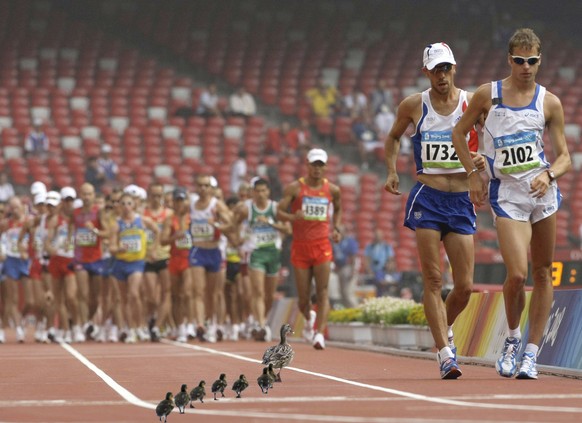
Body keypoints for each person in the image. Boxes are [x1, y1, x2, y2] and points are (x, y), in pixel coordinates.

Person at [451, 28, 572, 380]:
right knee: (517, 274)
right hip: (507, 196)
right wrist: (473, 176)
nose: (525, 66)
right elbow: (459, 133)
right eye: (519, 60)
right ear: (509, 59)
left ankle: (532, 353)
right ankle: (513, 339)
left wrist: (548, 176)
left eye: (532, 60)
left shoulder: (549, 102)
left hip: (541, 195)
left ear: (540, 60)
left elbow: (565, 157)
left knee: (544, 272)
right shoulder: (489, 95)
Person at [384, 41, 485, 379]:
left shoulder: (472, 102)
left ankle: (444, 324)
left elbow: (494, 135)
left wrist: (484, 157)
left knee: (465, 286)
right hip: (428, 197)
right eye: (436, 69)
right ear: (425, 71)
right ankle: (444, 353)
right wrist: (391, 170)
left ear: (454, 69)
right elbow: (393, 137)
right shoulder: (414, 104)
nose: (442, 75)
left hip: (460, 201)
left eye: (447, 68)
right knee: (433, 278)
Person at [277, 148, 342, 350]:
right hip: (300, 247)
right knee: (304, 298)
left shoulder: (333, 190)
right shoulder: (295, 188)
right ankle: (309, 318)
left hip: (322, 244)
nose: (317, 168)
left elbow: (338, 209)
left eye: (321, 165)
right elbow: (279, 212)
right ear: (307, 164)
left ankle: (319, 334)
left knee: (322, 291)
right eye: (314, 164)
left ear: (326, 167)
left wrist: (337, 227)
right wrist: (291, 217)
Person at [233, 178, 292, 342]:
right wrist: (239, 240)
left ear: (268, 192)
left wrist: (271, 224)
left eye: (263, 191)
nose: (260, 194)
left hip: (272, 253)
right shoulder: (248, 209)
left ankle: (262, 320)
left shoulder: (274, 208)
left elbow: (287, 229)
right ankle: (260, 324)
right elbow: (235, 223)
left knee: (269, 295)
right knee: (257, 291)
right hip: (256, 253)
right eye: (257, 191)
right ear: (253, 192)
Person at [332, 223, 359, 308]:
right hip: (339, 269)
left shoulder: (350, 241)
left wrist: (353, 270)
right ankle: (347, 312)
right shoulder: (336, 242)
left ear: (345, 232)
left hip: (348, 268)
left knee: (348, 293)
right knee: (342, 293)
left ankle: (355, 311)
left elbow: (353, 257)